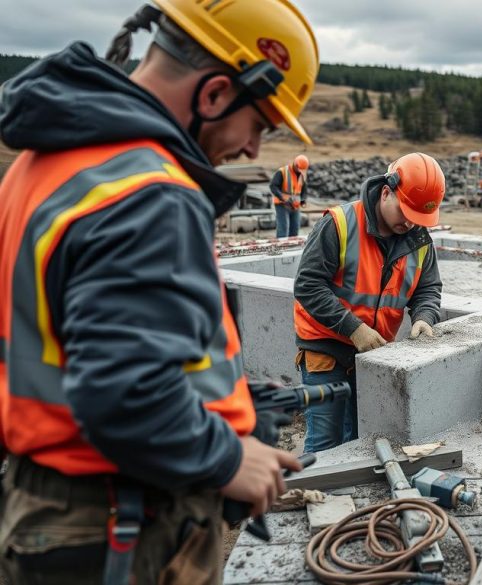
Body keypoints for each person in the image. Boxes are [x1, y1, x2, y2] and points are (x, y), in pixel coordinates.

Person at [0, 1, 318, 583]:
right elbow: (123, 391)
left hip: (56, 507)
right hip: (119, 524)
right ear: (216, 94)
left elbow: (77, 339)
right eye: (261, 125)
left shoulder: (46, 163)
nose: (253, 151)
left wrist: (224, 399)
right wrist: (226, 457)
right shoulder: (149, 194)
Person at [293, 152, 445, 452]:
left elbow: (428, 288)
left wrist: (425, 317)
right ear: (386, 192)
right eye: (406, 212)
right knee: (325, 442)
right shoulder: (339, 224)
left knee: (358, 441)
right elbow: (307, 285)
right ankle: (313, 496)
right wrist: (353, 328)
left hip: (374, 354)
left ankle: (347, 496)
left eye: (419, 218)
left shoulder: (419, 240)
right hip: (326, 350)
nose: (411, 224)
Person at [271, 154, 308, 238]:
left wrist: (303, 200)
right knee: (283, 229)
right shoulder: (282, 172)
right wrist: (282, 197)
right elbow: (273, 186)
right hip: (282, 204)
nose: (300, 171)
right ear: (295, 165)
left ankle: (292, 249)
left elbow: (304, 189)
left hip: (295, 205)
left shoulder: (301, 175)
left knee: (295, 230)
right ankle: (281, 248)